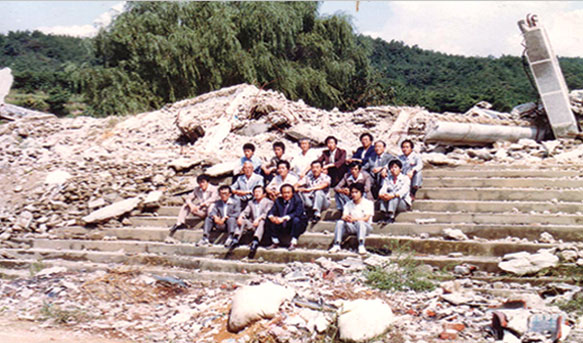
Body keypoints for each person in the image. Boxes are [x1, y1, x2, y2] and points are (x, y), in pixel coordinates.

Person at [328, 183, 374, 255]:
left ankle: (361, 244)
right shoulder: (348, 204)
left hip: (365, 226)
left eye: (356, 192)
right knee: (340, 222)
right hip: (352, 226)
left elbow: (366, 218)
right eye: (352, 192)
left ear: (361, 193)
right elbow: (343, 216)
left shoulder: (368, 203)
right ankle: (337, 244)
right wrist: (346, 218)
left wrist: (354, 219)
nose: (354, 194)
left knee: (360, 222)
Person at [232, 185, 274, 258]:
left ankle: (255, 240)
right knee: (243, 220)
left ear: (264, 194)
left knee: (262, 221)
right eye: (255, 192)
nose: (257, 193)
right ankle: (236, 238)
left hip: (263, 225)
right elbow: (245, 212)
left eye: (259, 192)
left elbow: (267, 213)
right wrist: (241, 216)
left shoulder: (269, 202)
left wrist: (258, 219)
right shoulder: (251, 203)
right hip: (253, 224)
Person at [266, 184, 308, 251]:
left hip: (294, 223)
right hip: (282, 223)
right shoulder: (278, 201)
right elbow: (271, 211)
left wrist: (284, 218)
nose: (286, 195)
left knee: (296, 220)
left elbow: (298, 213)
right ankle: (275, 241)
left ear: (292, 193)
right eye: (284, 193)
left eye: (288, 193)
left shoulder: (297, 200)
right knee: (269, 219)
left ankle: (293, 242)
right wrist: (272, 217)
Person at [377, 160, 412, 224]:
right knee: (384, 197)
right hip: (390, 201)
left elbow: (403, 191)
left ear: (400, 169)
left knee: (394, 197)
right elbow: (383, 188)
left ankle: (391, 216)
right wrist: (382, 194)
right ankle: (385, 215)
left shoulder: (405, 178)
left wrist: (393, 195)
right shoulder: (388, 179)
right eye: (391, 168)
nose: (393, 169)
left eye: (395, 167)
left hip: (402, 203)